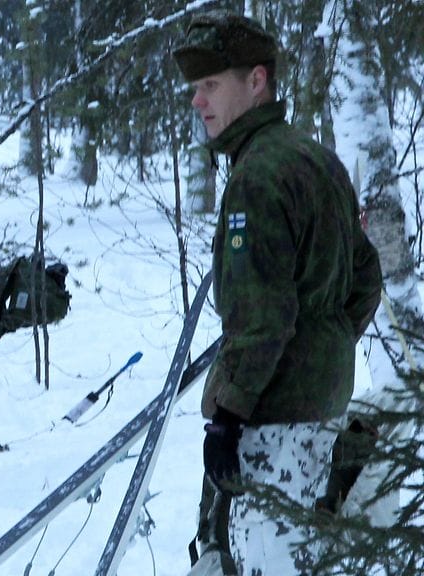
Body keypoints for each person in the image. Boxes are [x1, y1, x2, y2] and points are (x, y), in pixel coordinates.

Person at [172, 12, 383, 576]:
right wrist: (327, 345)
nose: (198, 101)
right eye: (196, 88)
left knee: (269, 560)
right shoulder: (317, 159)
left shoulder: (258, 178)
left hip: (274, 420)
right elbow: (365, 278)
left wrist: (227, 420)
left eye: (211, 85)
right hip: (321, 404)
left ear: (257, 81)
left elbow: (261, 319)